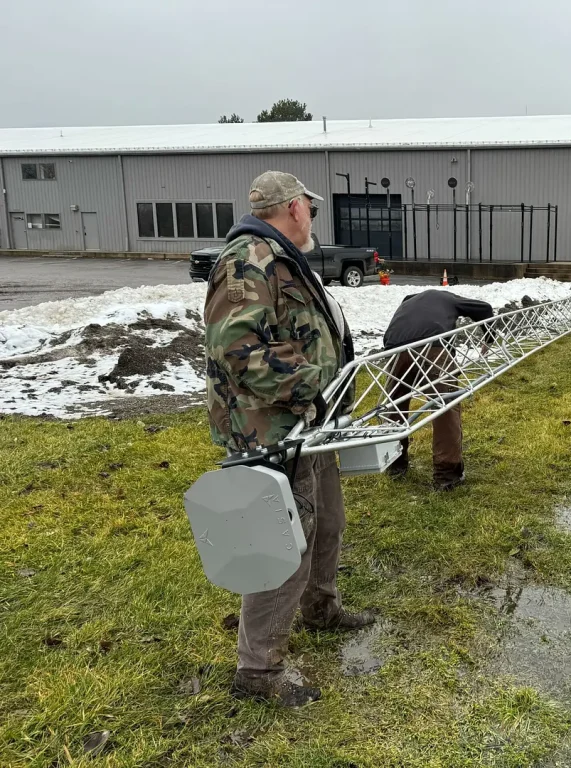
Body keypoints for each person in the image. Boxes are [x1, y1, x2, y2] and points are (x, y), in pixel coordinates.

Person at [205, 171, 372, 707]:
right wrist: (309, 386)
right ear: (296, 207)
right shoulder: (246, 262)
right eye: (311, 210)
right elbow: (237, 353)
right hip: (275, 429)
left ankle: (321, 608)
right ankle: (257, 671)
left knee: (328, 519)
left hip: (311, 424)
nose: (312, 219)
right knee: (284, 542)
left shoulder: (279, 257)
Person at [383, 290, 494, 490]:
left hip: (394, 348)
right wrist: (489, 338)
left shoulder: (406, 303)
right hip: (433, 346)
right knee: (445, 406)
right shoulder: (446, 298)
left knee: (395, 405)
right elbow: (484, 309)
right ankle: (447, 475)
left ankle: (394, 464)